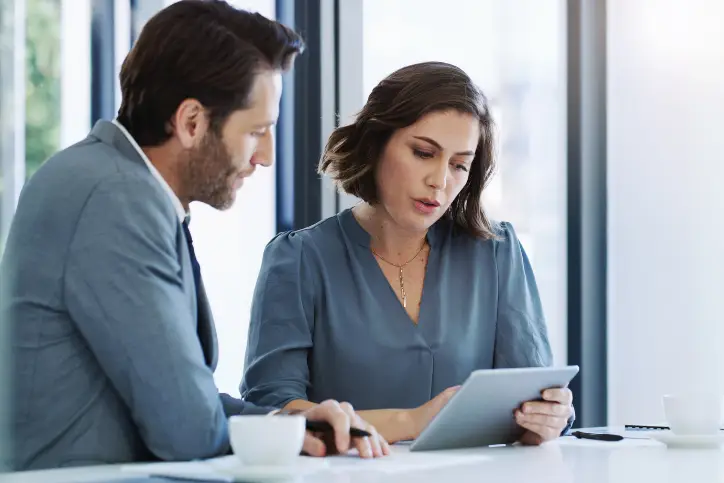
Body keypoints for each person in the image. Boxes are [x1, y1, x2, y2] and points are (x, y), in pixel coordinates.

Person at [0, 0, 387, 471]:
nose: (265, 156)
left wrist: (292, 423)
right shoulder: (113, 197)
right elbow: (186, 430)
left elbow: (191, 402)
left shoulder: (123, 185)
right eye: (256, 132)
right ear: (191, 123)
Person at [241, 61, 575, 445]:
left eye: (459, 165)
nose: (440, 181)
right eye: (422, 153)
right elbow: (273, 412)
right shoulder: (298, 259)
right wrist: (410, 421)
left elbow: (527, 406)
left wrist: (547, 419)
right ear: (376, 143)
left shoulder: (497, 253)